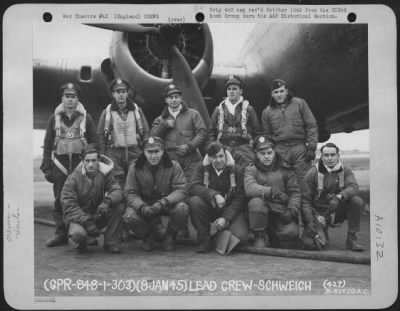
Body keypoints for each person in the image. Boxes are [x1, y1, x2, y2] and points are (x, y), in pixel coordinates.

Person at [40, 82, 97, 247]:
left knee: (84, 199)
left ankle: (85, 232)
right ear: (62, 98)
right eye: (67, 96)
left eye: (73, 97)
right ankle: (60, 233)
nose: (70, 100)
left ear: (77, 99)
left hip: (81, 164)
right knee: (59, 200)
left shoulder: (87, 118)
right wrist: (46, 167)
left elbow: (94, 141)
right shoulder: (54, 119)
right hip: (60, 165)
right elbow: (48, 143)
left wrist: (92, 162)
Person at [150, 83, 207, 238]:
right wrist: (163, 125)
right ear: (166, 100)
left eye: (176, 97)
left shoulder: (193, 114)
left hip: (190, 161)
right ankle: (178, 226)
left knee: (188, 191)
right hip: (170, 163)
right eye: (170, 97)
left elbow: (202, 132)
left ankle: (185, 227)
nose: (174, 100)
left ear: (181, 98)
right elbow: (152, 139)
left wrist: (189, 146)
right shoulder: (160, 119)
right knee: (172, 192)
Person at [123, 137, 189, 251]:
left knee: (182, 208)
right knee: (129, 217)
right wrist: (142, 206)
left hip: (166, 203)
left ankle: (170, 236)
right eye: (149, 152)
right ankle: (147, 236)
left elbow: (181, 189)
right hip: (145, 203)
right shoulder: (135, 167)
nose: (153, 156)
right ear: (144, 152)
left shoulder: (173, 166)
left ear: (162, 151)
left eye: (157, 152)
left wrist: (164, 202)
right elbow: (130, 192)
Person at [61, 144, 125, 253]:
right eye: (87, 160)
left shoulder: (106, 173)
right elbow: (69, 205)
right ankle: (83, 242)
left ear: (99, 160)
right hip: (79, 219)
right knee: (78, 235)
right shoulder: (73, 178)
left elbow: (117, 190)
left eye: (94, 160)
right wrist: (86, 222)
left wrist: (107, 201)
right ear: (82, 160)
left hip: (97, 214)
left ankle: (111, 242)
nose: (90, 164)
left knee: (119, 206)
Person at [301, 143, 365, 251]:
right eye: (326, 155)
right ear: (321, 157)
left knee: (356, 201)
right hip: (320, 214)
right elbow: (306, 201)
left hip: (338, 210)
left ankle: (351, 239)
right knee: (310, 245)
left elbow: (354, 187)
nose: (329, 158)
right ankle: (322, 231)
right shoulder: (312, 174)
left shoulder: (345, 170)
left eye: (332, 155)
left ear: (338, 156)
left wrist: (339, 196)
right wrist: (310, 223)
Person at [188, 142, 249, 253]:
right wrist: (213, 195)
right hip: (211, 206)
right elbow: (193, 186)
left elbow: (239, 198)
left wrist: (226, 218)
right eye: (214, 157)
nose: (219, 160)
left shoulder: (237, 170)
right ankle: (204, 240)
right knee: (195, 201)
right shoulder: (201, 167)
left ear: (225, 155)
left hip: (230, 208)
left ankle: (218, 234)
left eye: (221, 156)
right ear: (209, 158)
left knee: (242, 237)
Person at [244, 135, 301, 248]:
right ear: (256, 154)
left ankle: (272, 233)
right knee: (256, 203)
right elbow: (249, 188)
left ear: (274, 152)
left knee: (292, 233)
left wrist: (292, 210)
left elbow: (295, 192)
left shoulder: (285, 169)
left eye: (269, 153)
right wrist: (271, 191)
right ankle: (259, 236)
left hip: (279, 211)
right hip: (260, 210)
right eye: (262, 153)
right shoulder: (251, 169)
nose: (267, 156)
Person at [261, 79, 318, 182]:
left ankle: (306, 198)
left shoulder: (300, 103)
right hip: (280, 150)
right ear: (272, 94)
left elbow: (311, 125)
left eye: (281, 91)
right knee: (283, 181)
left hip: (299, 148)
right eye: (276, 92)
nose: (279, 95)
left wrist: (311, 147)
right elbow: (267, 136)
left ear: (287, 91)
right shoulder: (267, 112)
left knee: (304, 180)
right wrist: (271, 153)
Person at [97, 78, 149, 190]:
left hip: (134, 152)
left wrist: (145, 150)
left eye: (123, 92)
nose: (121, 95)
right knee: (116, 183)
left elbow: (145, 131)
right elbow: (101, 134)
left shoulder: (136, 111)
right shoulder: (107, 112)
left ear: (127, 93)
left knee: (135, 181)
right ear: (113, 94)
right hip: (114, 152)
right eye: (118, 92)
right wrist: (102, 153)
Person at [208, 75, 261, 167]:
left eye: (235, 89)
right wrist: (214, 148)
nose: (231, 91)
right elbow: (211, 132)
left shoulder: (249, 109)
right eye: (229, 89)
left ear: (241, 91)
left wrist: (253, 148)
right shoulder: (218, 110)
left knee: (248, 173)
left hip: (244, 149)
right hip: (223, 148)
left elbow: (257, 132)